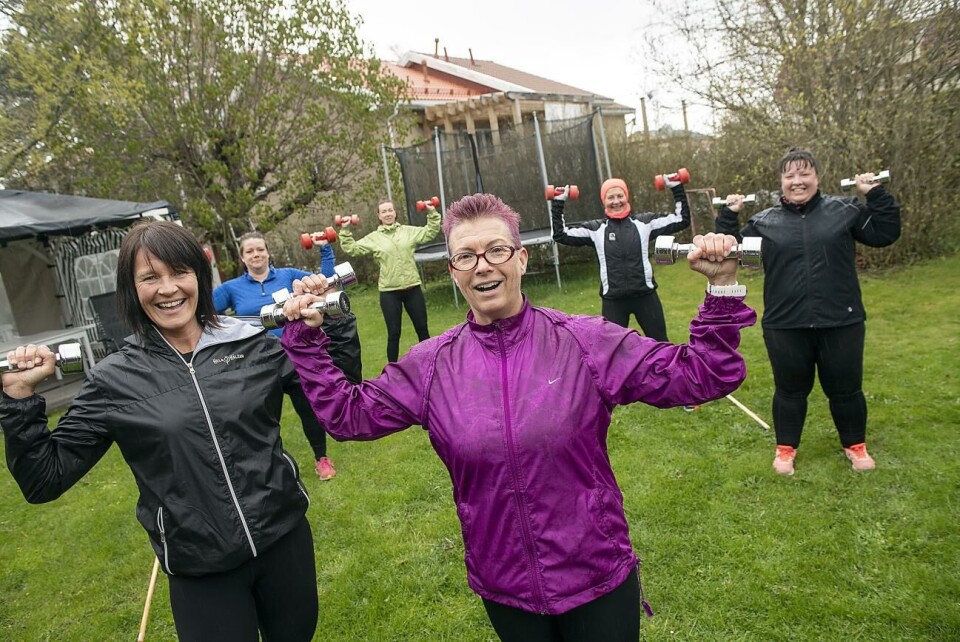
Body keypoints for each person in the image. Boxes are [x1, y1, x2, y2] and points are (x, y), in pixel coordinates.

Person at [279, 193, 756, 642]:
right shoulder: (432, 365)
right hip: (503, 583)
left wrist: (722, 287)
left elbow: (704, 373)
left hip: (596, 575)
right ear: (453, 272)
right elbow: (347, 415)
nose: (482, 265)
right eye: (466, 256)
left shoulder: (583, 342)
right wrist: (307, 339)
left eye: (497, 250)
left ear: (521, 259)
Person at [0, 220, 317, 641]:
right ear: (132, 290)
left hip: (285, 540)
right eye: (150, 277)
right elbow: (44, 479)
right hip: (200, 566)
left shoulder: (253, 344)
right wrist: (20, 399)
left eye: (180, 272)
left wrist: (326, 325)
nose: (168, 288)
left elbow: (337, 404)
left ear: (200, 278)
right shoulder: (114, 380)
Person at [715, 148, 901, 475]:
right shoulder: (764, 222)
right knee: (790, 390)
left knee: (845, 389)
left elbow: (885, 233)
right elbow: (732, 255)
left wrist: (876, 194)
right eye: (790, 176)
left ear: (817, 177)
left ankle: (855, 446)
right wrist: (729, 216)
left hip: (841, 319)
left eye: (804, 174)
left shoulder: (844, 211)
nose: (797, 181)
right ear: (781, 182)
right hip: (786, 324)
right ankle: (785, 450)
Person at [213, 231, 363, 480]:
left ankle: (321, 458)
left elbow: (324, 283)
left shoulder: (288, 276)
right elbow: (205, 313)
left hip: (294, 356)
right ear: (242, 257)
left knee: (308, 409)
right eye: (249, 251)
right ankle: (268, 465)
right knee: (261, 417)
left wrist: (325, 249)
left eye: (260, 249)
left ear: (268, 252)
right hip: (256, 361)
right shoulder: (231, 289)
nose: (256, 254)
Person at [551, 176, 690, 342]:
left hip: (645, 296)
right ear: (604, 201)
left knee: (661, 343)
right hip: (614, 301)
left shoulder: (644, 223)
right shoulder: (596, 229)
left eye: (620, 196)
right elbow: (560, 234)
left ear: (626, 197)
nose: (616, 201)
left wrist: (676, 187)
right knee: (614, 351)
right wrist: (558, 201)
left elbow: (681, 219)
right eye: (610, 197)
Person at [337, 198, 441, 362]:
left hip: (412, 288)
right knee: (394, 333)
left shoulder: (408, 231)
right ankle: (392, 371)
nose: (388, 214)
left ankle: (431, 363)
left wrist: (431, 212)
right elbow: (352, 248)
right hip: (389, 292)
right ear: (379, 215)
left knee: (422, 329)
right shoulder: (374, 238)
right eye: (384, 211)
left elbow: (431, 231)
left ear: (395, 212)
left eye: (390, 210)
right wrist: (345, 230)